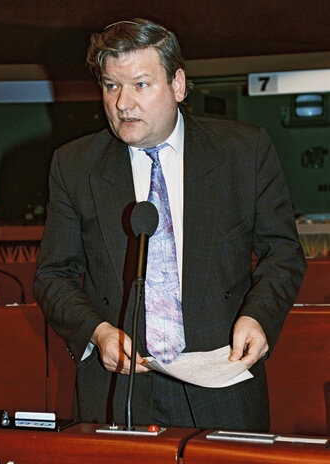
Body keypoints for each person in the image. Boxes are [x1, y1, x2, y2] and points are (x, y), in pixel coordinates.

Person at [34, 18, 306, 430]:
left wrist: (259, 317)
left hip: (222, 382)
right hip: (118, 388)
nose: (123, 103)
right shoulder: (74, 166)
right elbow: (53, 276)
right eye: (111, 86)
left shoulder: (243, 151)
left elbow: (283, 254)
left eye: (140, 85)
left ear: (177, 85)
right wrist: (98, 332)